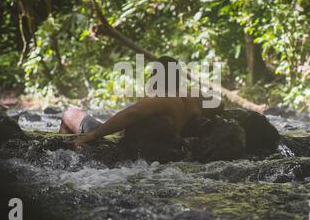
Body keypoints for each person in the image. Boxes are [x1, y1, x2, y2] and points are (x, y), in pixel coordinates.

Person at [59, 56, 223, 150]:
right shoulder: (192, 97)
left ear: (155, 76)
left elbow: (133, 113)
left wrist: (93, 135)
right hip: (167, 143)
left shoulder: (162, 99)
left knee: (69, 113)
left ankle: (70, 148)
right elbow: (218, 102)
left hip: (116, 141)